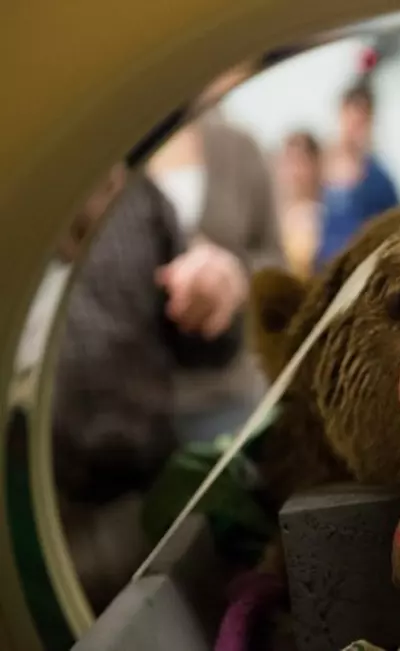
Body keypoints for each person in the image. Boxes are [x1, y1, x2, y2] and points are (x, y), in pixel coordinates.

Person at [52, 166, 245, 613]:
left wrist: (215, 297)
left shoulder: (137, 196)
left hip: (150, 496)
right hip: (46, 516)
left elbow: (207, 350)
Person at [147, 61, 284, 444]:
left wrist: (233, 276)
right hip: (127, 404)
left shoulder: (237, 147)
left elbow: (275, 260)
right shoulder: (111, 157)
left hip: (225, 394)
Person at [315, 48, 400, 267]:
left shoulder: (379, 178)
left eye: (360, 122)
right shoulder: (318, 166)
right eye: (350, 119)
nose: (354, 128)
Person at [275, 131, 323, 280]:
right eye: (289, 162)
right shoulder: (274, 214)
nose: (294, 172)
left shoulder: (324, 215)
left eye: (301, 162)